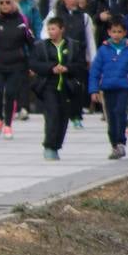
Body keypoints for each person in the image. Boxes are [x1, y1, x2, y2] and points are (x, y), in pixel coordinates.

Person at [89, 16, 128, 160]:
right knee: (110, 116)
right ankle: (114, 143)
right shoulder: (104, 50)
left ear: (124, 33)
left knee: (120, 111)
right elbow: (95, 70)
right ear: (109, 32)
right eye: (114, 31)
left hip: (124, 85)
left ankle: (121, 141)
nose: (116, 35)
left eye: (119, 32)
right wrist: (94, 90)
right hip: (108, 86)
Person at [30, 16, 88, 160]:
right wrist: (51, 68)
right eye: (49, 29)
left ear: (62, 29)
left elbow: (81, 65)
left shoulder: (73, 46)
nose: (51, 32)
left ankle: (56, 146)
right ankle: (49, 146)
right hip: (48, 85)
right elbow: (34, 64)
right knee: (53, 114)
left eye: (54, 29)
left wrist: (67, 68)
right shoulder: (41, 46)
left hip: (68, 86)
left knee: (63, 117)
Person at [43, 0, 95, 129]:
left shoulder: (84, 17)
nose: (73, 0)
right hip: (59, 54)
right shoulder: (54, 14)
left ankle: (76, 116)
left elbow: (90, 39)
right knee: (60, 86)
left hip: (77, 57)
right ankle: (59, 114)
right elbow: (45, 34)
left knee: (77, 87)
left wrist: (91, 58)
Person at [0, 0, 35, 139]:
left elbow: (32, 43)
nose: (5, 5)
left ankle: (8, 125)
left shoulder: (23, 21)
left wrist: (32, 64)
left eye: (8, 2)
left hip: (17, 64)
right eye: (1, 3)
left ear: (13, 4)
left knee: (11, 93)